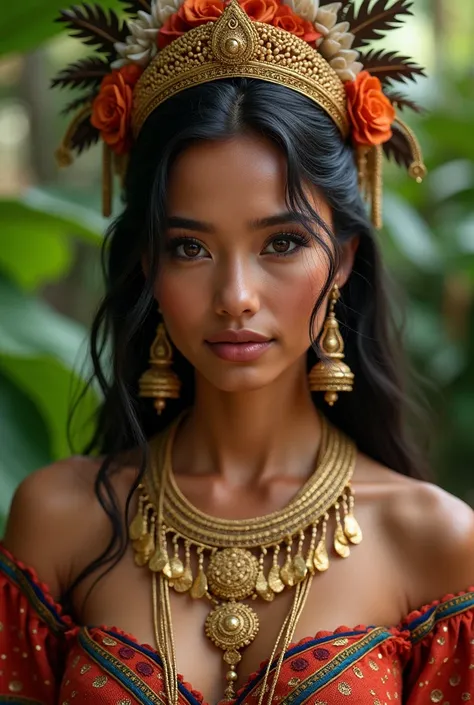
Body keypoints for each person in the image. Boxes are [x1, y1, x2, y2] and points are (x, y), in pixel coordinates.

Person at [1, 0, 473, 703]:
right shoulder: (61, 518)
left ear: (342, 261)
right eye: (189, 247)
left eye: (281, 243)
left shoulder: (434, 539)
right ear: (147, 268)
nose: (236, 295)